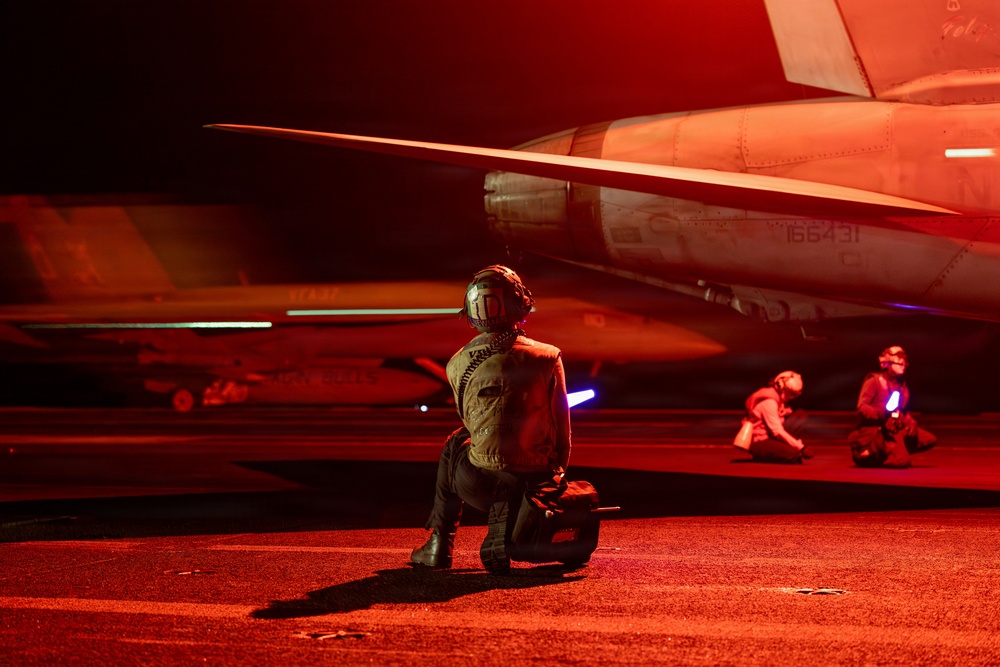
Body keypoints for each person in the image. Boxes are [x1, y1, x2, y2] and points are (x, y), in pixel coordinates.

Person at [410, 265, 571, 574]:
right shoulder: (549, 356)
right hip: (535, 486)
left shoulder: (456, 362)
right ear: (520, 303)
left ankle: (439, 543)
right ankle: (516, 519)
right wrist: (555, 484)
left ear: (471, 310)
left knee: (456, 441)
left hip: (480, 487)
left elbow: (474, 426)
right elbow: (562, 433)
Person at [848, 346, 936, 468]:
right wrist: (882, 413)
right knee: (902, 462)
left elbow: (903, 411)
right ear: (887, 364)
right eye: (899, 362)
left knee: (928, 439)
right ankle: (872, 454)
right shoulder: (875, 381)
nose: (903, 364)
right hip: (877, 430)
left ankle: (892, 451)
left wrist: (911, 422)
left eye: (904, 362)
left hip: (894, 429)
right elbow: (861, 407)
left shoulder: (902, 386)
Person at [741, 371, 812, 463]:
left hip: (769, 435)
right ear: (780, 387)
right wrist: (801, 447)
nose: (792, 397)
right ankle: (762, 456)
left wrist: (786, 411)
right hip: (760, 441)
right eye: (791, 393)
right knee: (794, 455)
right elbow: (777, 431)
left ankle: (777, 450)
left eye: (795, 394)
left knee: (800, 415)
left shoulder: (778, 398)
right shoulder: (769, 402)